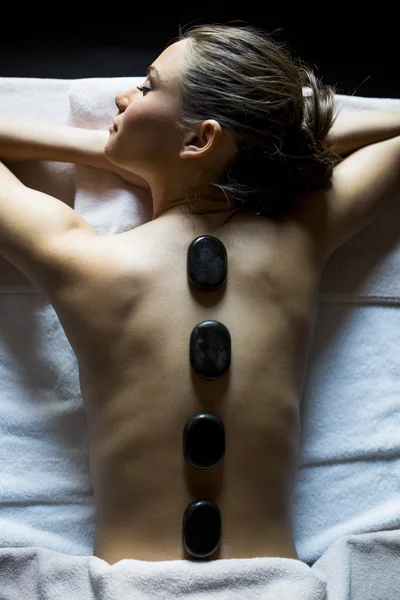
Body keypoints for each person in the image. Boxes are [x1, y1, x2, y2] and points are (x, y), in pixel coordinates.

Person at [1, 23, 400, 565]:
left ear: (199, 139)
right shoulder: (299, 239)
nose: (123, 96)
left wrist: (101, 151)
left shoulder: (85, 263)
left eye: (146, 86)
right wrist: (258, 147)